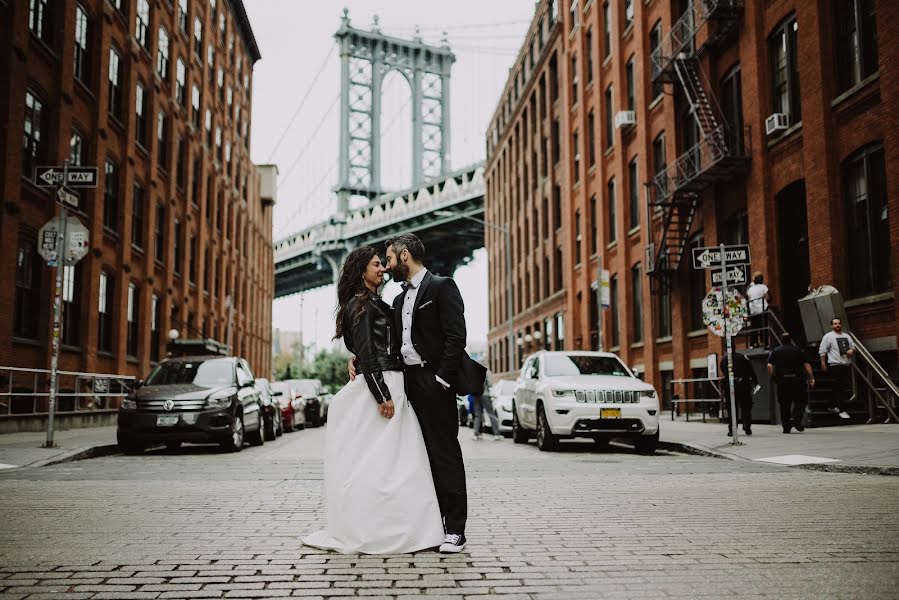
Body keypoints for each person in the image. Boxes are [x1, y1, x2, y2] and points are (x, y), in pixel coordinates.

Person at [349, 233, 486, 554]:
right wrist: (354, 355)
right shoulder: (396, 300)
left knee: (444, 453)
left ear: (405, 256)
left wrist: (441, 379)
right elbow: (379, 336)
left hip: (433, 381)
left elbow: (456, 337)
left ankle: (455, 529)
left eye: (390, 259)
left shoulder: (442, 287)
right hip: (405, 383)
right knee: (417, 456)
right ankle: (431, 523)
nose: (387, 266)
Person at [302, 246, 444, 554]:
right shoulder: (362, 305)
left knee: (393, 462)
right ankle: (383, 529)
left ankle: (396, 526)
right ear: (361, 271)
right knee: (388, 461)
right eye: (376, 264)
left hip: (392, 380)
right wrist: (383, 396)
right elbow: (368, 352)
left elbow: (366, 348)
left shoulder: (372, 302)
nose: (382, 269)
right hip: (385, 384)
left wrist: (358, 361)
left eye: (383, 263)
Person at [767, 332, 815, 433]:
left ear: (781, 340)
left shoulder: (776, 351)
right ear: (790, 340)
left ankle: (786, 427)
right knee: (801, 401)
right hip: (797, 380)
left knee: (784, 404)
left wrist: (773, 377)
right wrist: (811, 377)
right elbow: (806, 365)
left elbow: (769, 366)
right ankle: (796, 419)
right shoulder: (798, 350)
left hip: (783, 381)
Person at [818, 317, 854, 420]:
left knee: (837, 386)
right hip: (835, 364)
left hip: (846, 364)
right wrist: (823, 363)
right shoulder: (828, 336)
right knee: (840, 387)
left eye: (838, 323)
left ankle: (830, 405)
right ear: (831, 325)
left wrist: (852, 350)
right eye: (835, 323)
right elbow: (823, 350)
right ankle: (842, 410)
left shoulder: (846, 336)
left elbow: (852, 346)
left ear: (841, 325)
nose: (837, 325)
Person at [719, 351, 757, 436]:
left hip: (730, 386)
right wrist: (755, 382)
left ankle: (732, 429)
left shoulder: (724, 359)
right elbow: (751, 370)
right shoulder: (743, 357)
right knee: (746, 407)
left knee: (732, 408)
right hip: (743, 385)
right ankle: (747, 426)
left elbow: (722, 369)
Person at [471, 372, 502, 441]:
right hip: (485, 394)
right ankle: (496, 434)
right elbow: (490, 384)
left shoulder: (474, 371)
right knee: (491, 414)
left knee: (478, 415)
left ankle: (476, 434)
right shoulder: (486, 371)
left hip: (476, 395)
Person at [746, 272, 770, 348]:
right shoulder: (764, 287)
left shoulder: (750, 289)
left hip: (753, 311)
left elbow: (749, 298)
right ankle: (765, 343)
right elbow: (768, 297)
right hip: (763, 310)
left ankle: (753, 343)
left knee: (754, 328)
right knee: (764, 327)